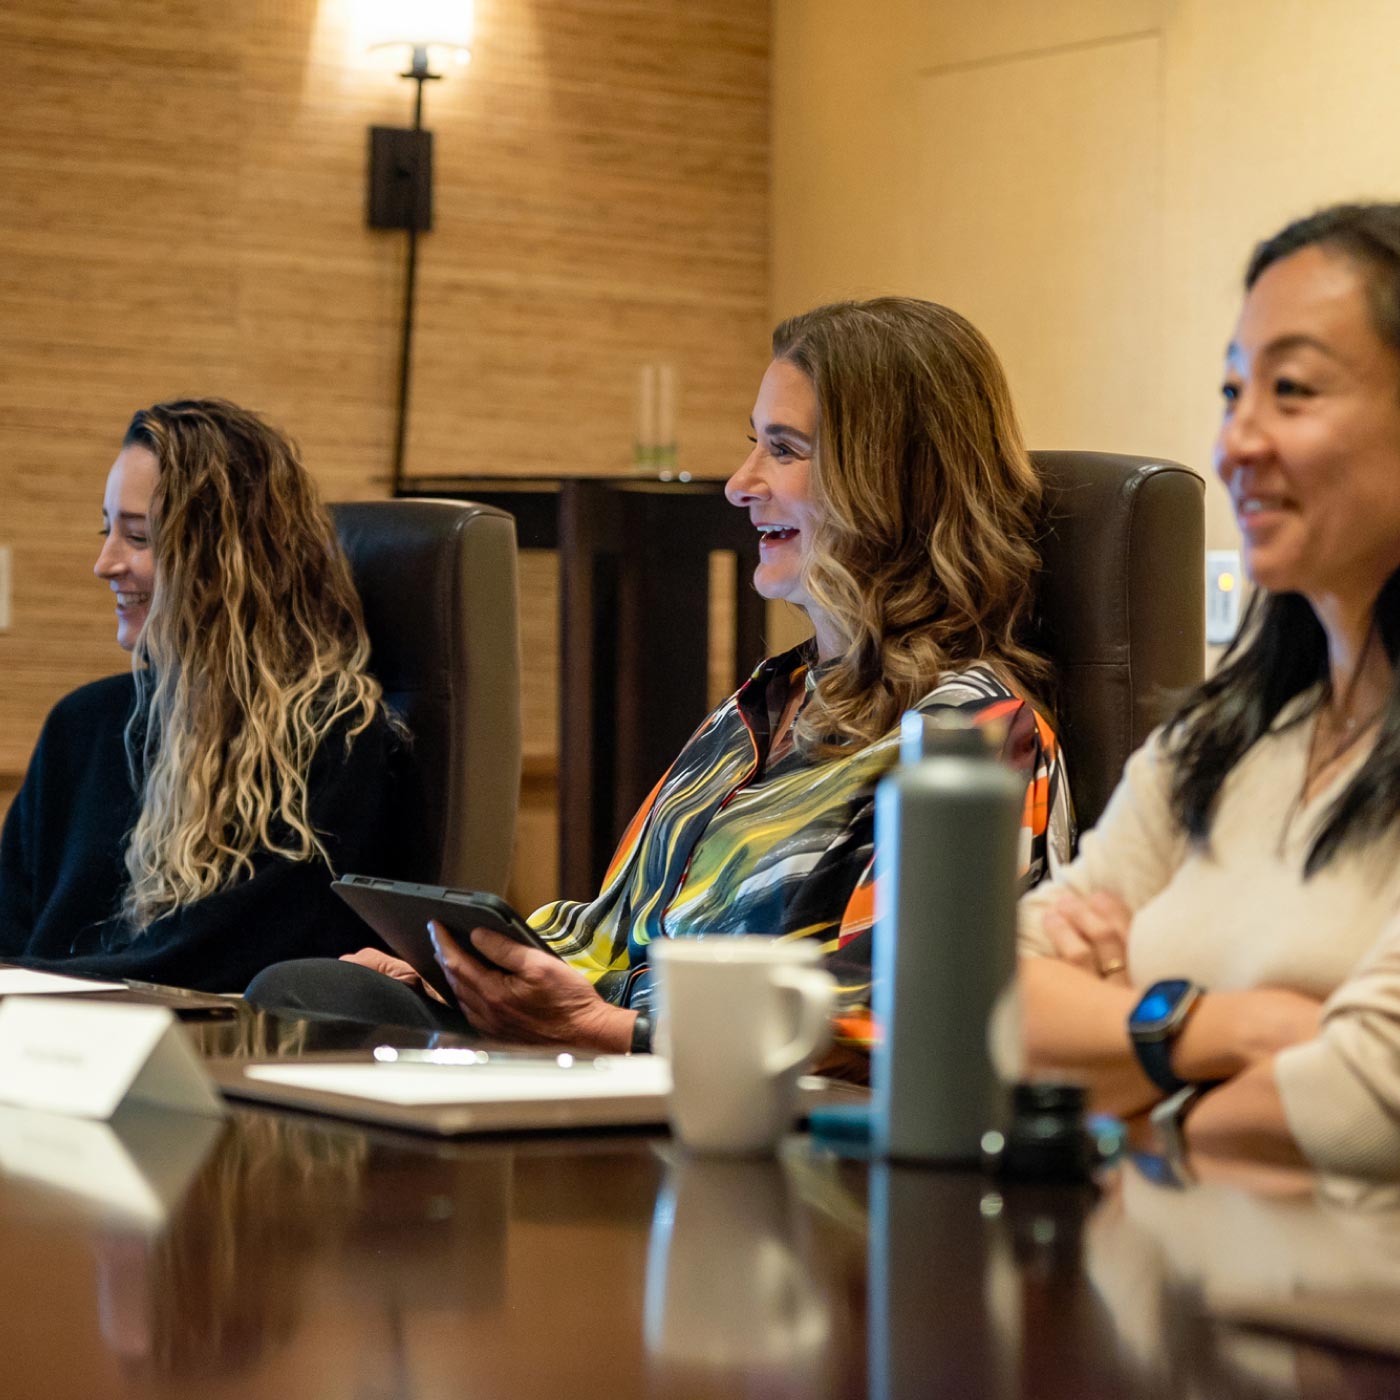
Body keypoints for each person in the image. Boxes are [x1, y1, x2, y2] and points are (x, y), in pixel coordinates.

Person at [248, 298, 1072, 1063]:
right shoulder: (766, 702)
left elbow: (898, 1018)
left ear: (892, 483)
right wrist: (454, 968)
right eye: (753, 441)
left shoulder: (974, 733)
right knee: (319, 996)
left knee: (315, 1012)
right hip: (614, 1070)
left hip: (748, 1117)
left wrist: (616, 1033)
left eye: (781, 449)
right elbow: (613, 934)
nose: (739, 483)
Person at [1015, 202, 1400, 1176]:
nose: (1237, 441)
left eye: (1291, 389)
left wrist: (1121, 1094)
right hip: (1155, 1294)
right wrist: (1210, 1026)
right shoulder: (1217, 744)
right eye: (1233, 391)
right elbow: (980, 998)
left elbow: (1364, 1095)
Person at [0, 398, 404, 991]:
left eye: (138, 536)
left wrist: (38, 991)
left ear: (227, 558)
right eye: (105, 528)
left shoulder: (334, 734)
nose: (104, 562)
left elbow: (223, 957)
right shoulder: (81, 725)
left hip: (205, 1053)